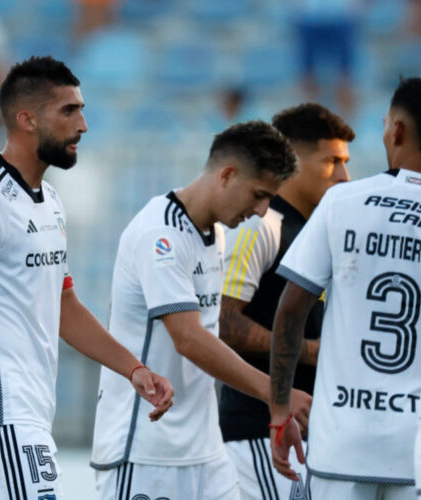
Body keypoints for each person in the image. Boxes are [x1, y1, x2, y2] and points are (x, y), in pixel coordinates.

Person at [0, 55, 174, 500]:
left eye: (81, 110)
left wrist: (132, 369)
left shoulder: (49, 202)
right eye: (69, 111)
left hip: (26, 410)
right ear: (26, 119)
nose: (83, 125)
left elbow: (64, 306)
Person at [90, 121, 312, 500]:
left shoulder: (216, 233)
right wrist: (277, 396)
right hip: (147, 450)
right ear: (226, 174)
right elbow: (189, 339)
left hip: (206, 452)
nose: (261, 211)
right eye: (259, 195)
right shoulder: (160, 233)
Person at [269, 78, 421, 499]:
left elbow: (291, 311)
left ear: (397, 131)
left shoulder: (343, 202)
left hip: (342, 446)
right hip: (415, 451)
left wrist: (280, 410)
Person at [219, 103, 354, 499]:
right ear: (293, 160)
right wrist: (311, 351)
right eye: (332, 161)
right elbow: (223, 323)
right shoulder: (261, 225)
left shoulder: (313, 228)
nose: (345, 176)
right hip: (258, 433)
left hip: (303, 433)